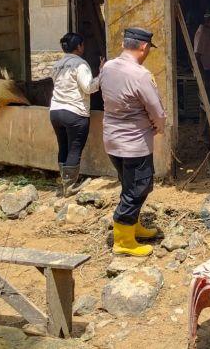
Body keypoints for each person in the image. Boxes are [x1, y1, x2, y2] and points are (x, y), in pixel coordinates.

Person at [100, 28, 166, 257]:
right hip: (135, 144)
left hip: (112, 140)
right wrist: (160, 127)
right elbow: (156, 110)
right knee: (139, 188)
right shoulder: (140, 75)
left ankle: (133, 226)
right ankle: (124, 241)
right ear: (143, 47)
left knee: (128, 184)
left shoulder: (107, 67)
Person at [49, 32, 102, 197]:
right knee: (74, 148)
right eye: (83, 44)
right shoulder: (80, 64)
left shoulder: (57, 65)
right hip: (74, 112)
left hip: (55, 111)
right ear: (79, 46)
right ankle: (70, 186)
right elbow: (88, 87)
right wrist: (101, 74)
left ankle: (64, 181)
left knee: (63, 146)